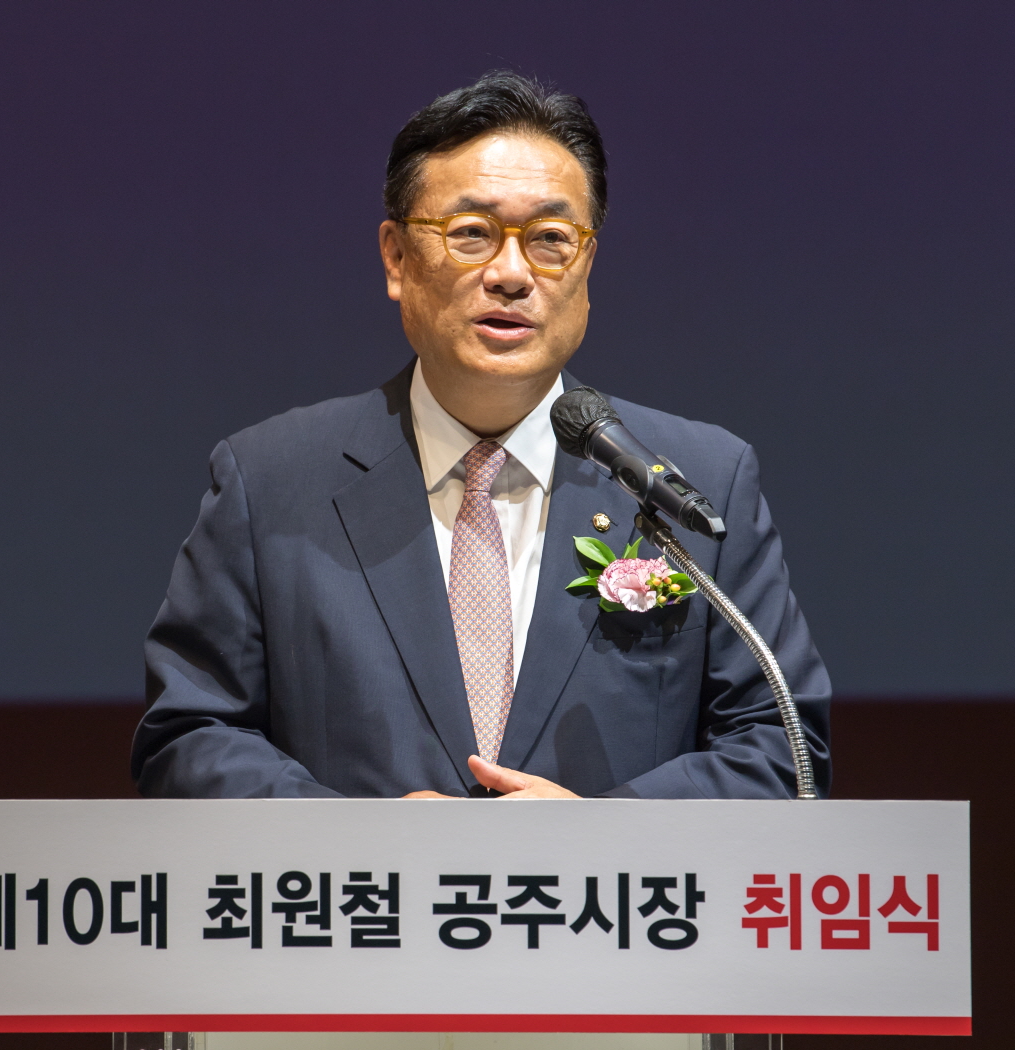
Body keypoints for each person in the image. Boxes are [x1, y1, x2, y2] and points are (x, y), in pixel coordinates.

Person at [132, 73, 830, 800]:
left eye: (551, 239)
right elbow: (190, 737)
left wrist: (604, 835)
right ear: (396, 258)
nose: (511, 274)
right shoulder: (270, 482)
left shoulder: (696, 480)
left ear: (587, 265)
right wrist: (356, 842)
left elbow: (781, 749)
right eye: (471, 234)